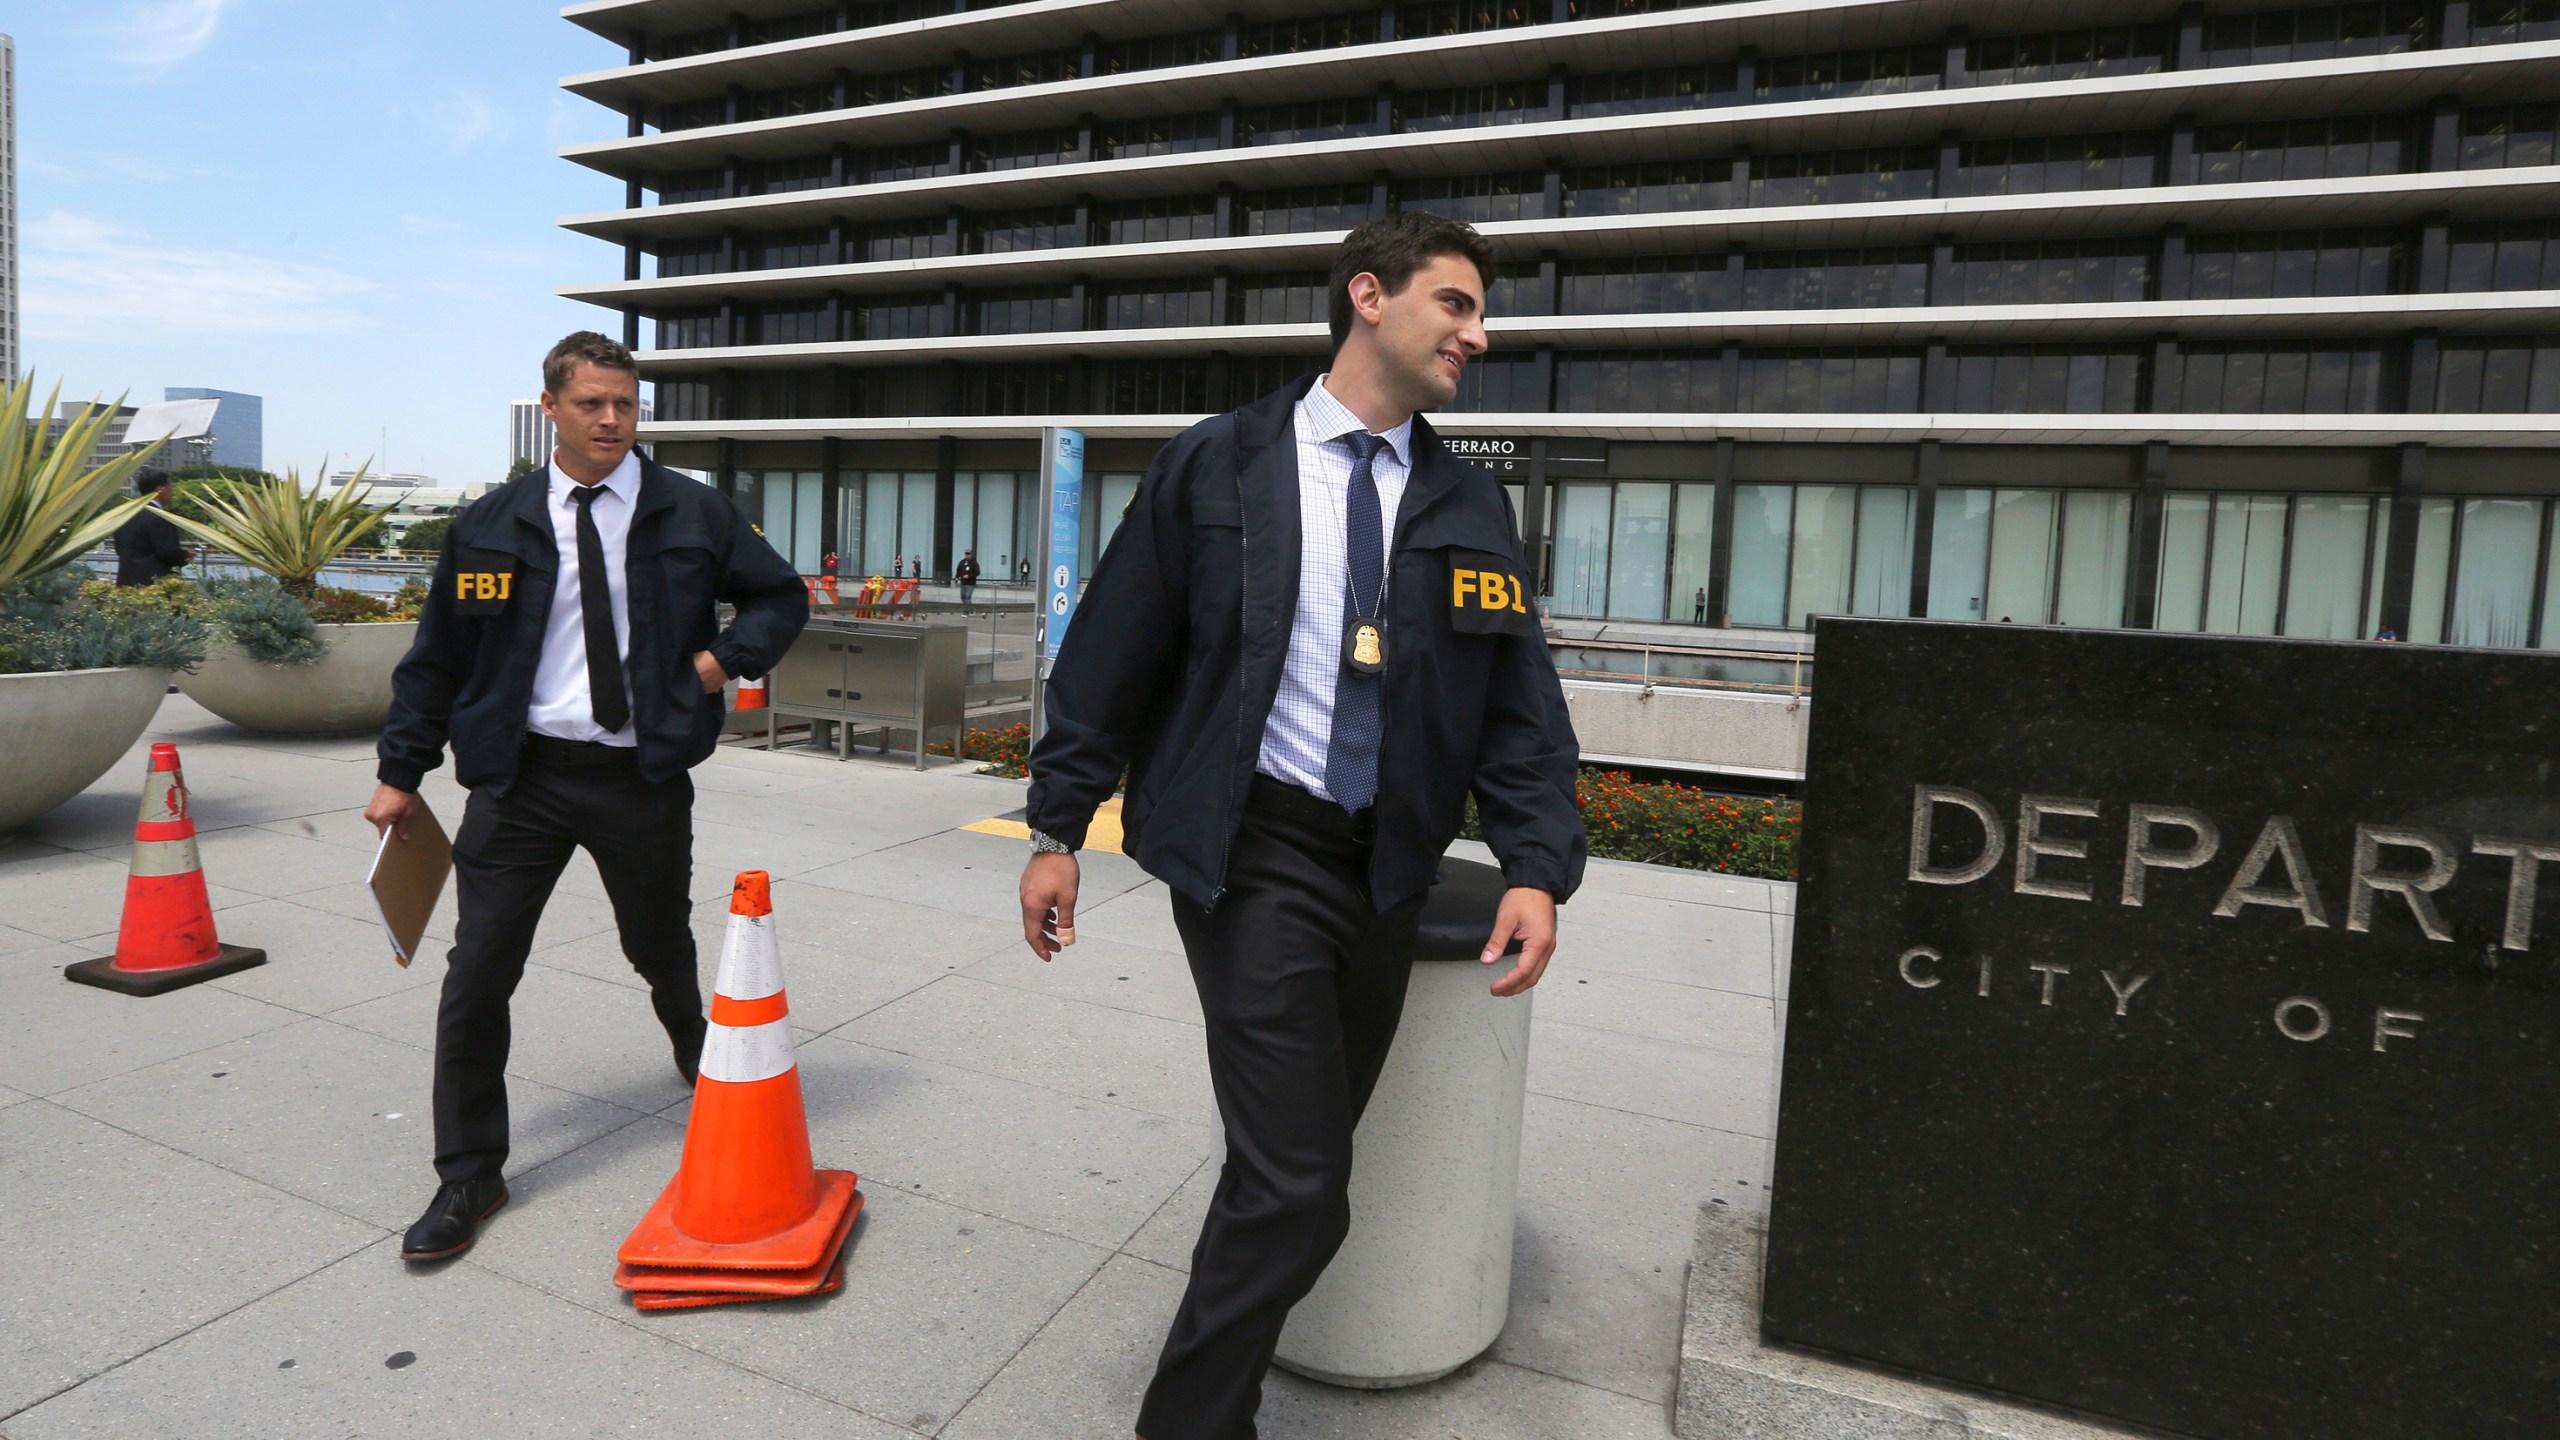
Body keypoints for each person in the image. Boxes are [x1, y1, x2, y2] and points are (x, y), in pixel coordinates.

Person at [1016, 212, 1586, 1439]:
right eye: (1458, 306)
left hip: (1386, 869)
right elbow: (1111, 651)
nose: (1477, 337)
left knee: (1296, 1186)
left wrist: (1538, 864)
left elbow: (1517, 708)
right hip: (1252, 852)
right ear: (1369, 298)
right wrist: (1056, 825)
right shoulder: (1217, 465)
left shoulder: (1469, 502)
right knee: (1296, 1185)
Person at [366, 332, 808, 1263]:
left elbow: (779, 599)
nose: (612, 421)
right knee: (477, 972)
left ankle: (701, 1055)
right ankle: (469, 1171)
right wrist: (401, 772)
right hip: (521, 779)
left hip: (639, 777)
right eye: (592, 405)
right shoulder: (491, 524)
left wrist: (720, 661)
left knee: (658, 944)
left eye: (626, 405)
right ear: (551, 407)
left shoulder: (692, 511)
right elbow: (440, 656)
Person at [113, 470, 192, 586]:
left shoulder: (125, 515)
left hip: (126, 583)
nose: (172, 492)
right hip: (152, 587)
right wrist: (185, 555)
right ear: (160, 489)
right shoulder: (159, 517)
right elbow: (168, 552)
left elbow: (120, 549)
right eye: (170, 487)